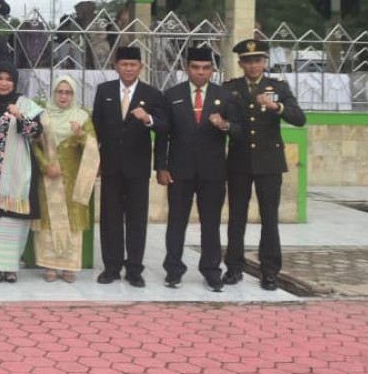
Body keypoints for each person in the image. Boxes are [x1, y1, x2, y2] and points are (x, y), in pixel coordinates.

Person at [156, 46, 242, 291]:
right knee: (176, 222)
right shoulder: (172, 94)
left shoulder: (224, 96)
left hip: (212, 172)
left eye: (206, 68)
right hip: (179, 170)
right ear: (187, 68)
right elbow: (163, 134)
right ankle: (174, 271)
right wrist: (161, 166)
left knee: (211, 224)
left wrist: (224, 125)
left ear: (212, 70)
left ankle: (211, 271)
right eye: (195, 67)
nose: (200, 72)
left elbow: (239, 130)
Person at [223, 38, 305, 291]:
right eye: (247, 61)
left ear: (265, 62)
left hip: (269, 162)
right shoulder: (231, 88)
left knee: (269, 218)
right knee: (236, 217)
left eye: (257, 60)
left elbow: (299, 118)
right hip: (239, 161)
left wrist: (276, 106)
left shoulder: (278, 87)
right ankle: (234, 267)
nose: (253, 65)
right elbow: (229, 122)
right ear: (240, 64)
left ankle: (269, 272)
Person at [90, 46, 163, 287]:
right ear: (116, 67)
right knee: (110, 218)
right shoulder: (105, 91)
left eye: (133, 65)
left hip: (138, 167)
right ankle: (111, 268)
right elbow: (96, 127)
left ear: (141, 67)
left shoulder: (152, 94)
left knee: (136, 220)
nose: (129, 69)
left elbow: (163, 127)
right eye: (124, 64)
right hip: (110, 165)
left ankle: (134, 269)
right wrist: (95, 160)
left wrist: (148, 119)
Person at [0, 62, 43, 283]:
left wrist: (20, 116)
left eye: (9, 80)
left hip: (18, 174)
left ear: (15, 82)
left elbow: (36, 132)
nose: (4, 84)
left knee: (15, 221)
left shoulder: (24, 104)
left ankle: (11, 267)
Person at [34, 76, 99, 283]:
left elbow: (93, 147)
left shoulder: (82, 117)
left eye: (68, 92)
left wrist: (80, 135)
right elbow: (33, 144)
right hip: (48, 178)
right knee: (50, 220)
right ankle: (50, 265)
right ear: (54, 93)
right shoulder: (42, 116)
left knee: (71, 220)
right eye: (60, 92)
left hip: (73, 178)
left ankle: (68, 267)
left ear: (73, 95)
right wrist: (45, 165)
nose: (64, 96)